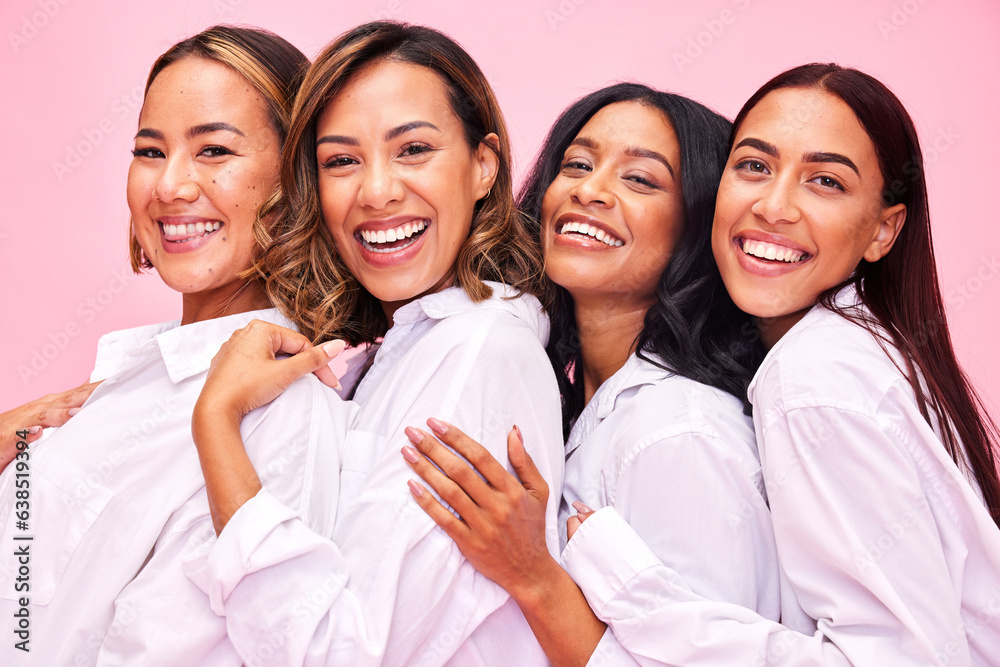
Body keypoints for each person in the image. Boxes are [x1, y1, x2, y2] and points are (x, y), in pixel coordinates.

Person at [415, 63, 1000, 665]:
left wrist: (558, 580)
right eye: (753, 166)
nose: (774, 205)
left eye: (825, 181)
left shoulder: (728, 412)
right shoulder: (829, 358)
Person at [164, 21, 564, 666]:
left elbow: (335, 654)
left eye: (413, 150)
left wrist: (216, 423)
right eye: (341, 161)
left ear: (483, 166)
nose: (377, 191)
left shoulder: (475, 354)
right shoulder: (404, 348)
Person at [402, 83, 779, 665]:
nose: (590, 190)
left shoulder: (680, 434)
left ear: (698, 223)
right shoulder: (574, 400)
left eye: (641, 179)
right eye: (576, 164)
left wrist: (532, 575)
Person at [0, 26, 330, 667]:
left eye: (213, 151)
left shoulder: (271, 415)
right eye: (150, 151)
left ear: (297, 176)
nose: (170, 186)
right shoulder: (134, 377)